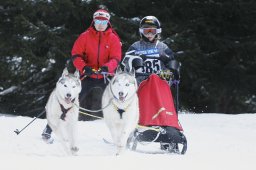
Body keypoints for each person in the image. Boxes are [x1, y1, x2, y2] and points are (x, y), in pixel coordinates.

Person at [41, 9, 122, 143]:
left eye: (103, 21)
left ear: (108, 22)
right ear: (93, 21)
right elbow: (76, 55)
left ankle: (122, 136)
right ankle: (48, 130)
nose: (100, 24)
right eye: (97, 21)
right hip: (88, 76)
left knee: (118, 103)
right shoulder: (85, 36)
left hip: (105, 76)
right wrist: (84, 67)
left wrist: (107, 67)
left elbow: (116, 58)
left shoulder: (113, 38)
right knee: (68, 102)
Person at [123, 16, 187, 153]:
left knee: (164, 105)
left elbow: (173, 64)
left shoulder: (163, 47)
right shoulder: (135, 47)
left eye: (152, 31)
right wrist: (136, 61)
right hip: (142, 84)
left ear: (157, 31)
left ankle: (168, 132)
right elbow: (125, 63)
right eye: (146, 31)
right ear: (141, 32)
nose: (149, 34)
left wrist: (170, 69)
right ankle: (133, 130)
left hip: (161, 85)